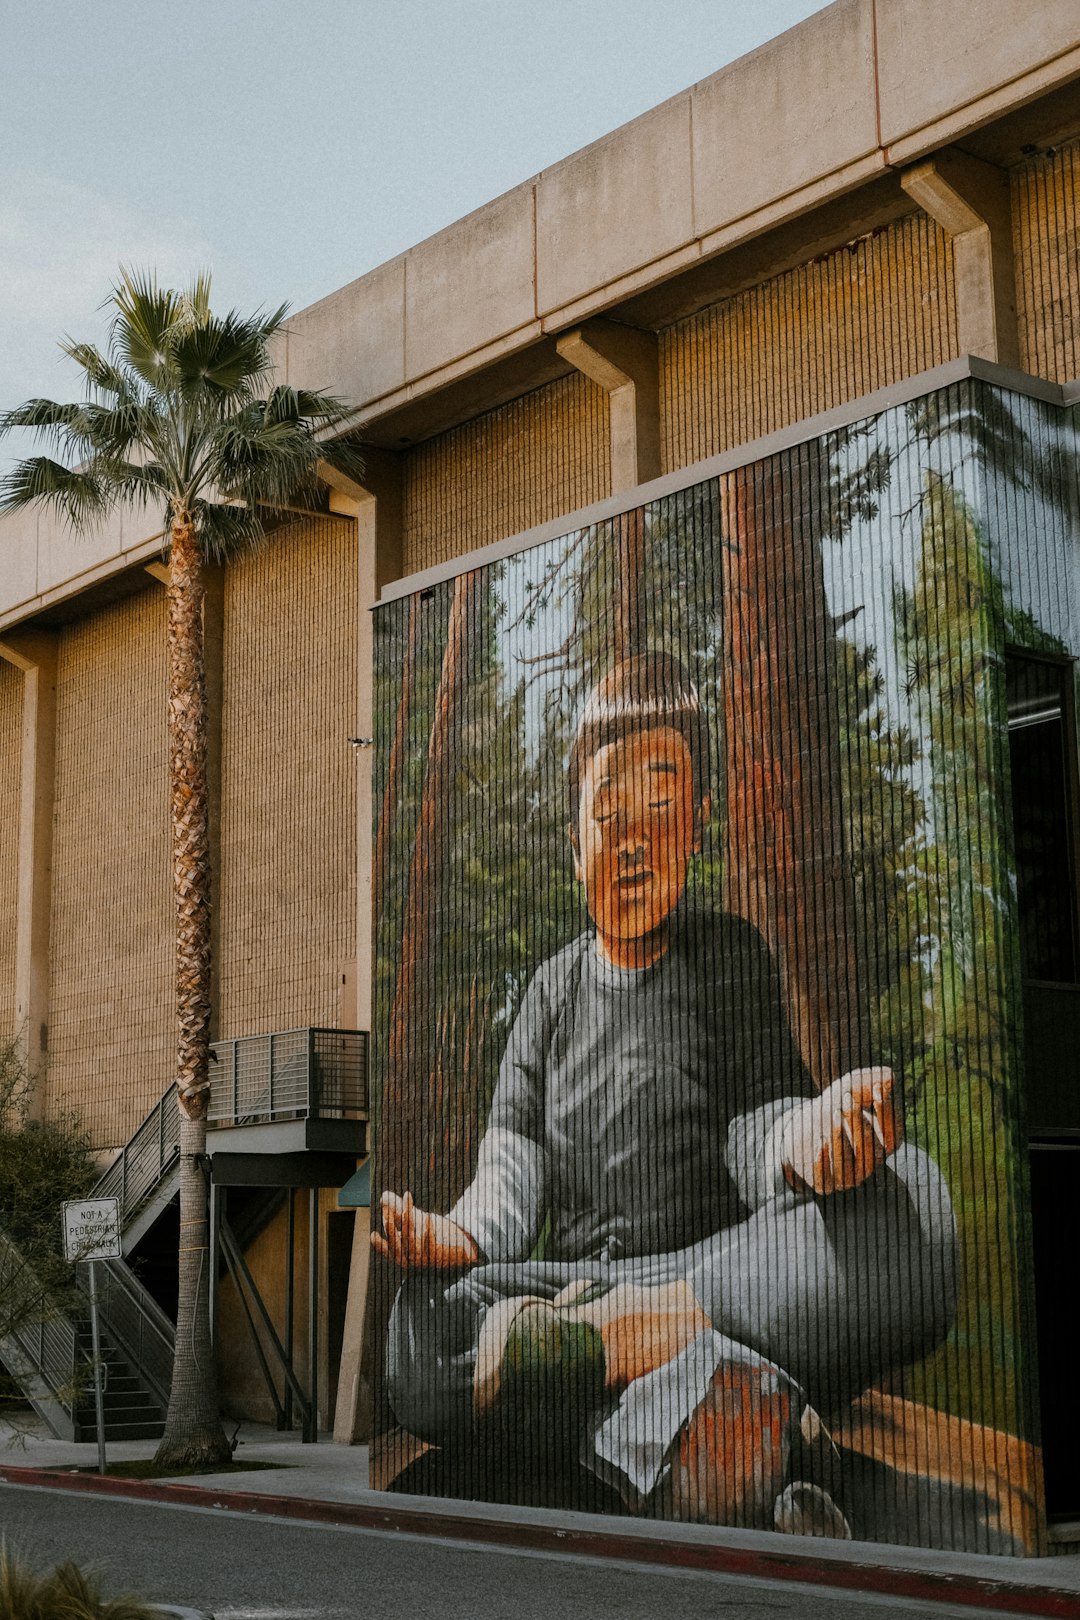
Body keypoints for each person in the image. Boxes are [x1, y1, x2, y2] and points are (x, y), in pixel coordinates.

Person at [373, 653, 957, 1531]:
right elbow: (508, 1184)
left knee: (917, 1204)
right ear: (576, 847)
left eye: (661, 805)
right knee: (421, 1337)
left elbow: (761, 1134)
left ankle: (625, 1358)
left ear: (697, 827)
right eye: (610, 813)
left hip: (708, 1275)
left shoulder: (725, 956)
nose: (634, 839)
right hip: (562, 1291)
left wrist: (818, 1141)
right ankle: (736, 1436)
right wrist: (450, 1237)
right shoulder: (549, 995)